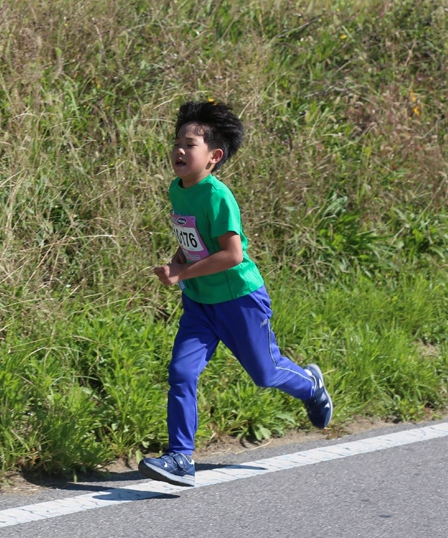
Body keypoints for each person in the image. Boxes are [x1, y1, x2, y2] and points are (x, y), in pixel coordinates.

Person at [137, 100, 333, 488]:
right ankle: (180, 458)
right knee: (181, 372)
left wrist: (182, 274)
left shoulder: (218, 196)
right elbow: (193, 242)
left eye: (189, 144)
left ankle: (311, 385)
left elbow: (231, 254)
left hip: (238, 300)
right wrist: (179, 263)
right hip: (199, 304)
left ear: (213, 157)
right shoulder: (178, 190)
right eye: (177, 141)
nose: (178, 149)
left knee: (265, 373)